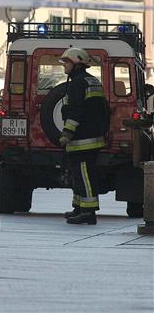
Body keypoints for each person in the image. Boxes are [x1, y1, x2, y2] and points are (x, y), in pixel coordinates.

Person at [58, 47, 109, 225]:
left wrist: (67, 133)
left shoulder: (78, 83)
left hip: (82, 139)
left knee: (85, 175)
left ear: (76, 62)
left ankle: (88, 212)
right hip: (93, 136)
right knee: (78, 174)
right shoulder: (92, 81)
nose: (64, 66)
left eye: (66, 62)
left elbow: (76, 111)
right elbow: (103, 110)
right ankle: (79, 207)